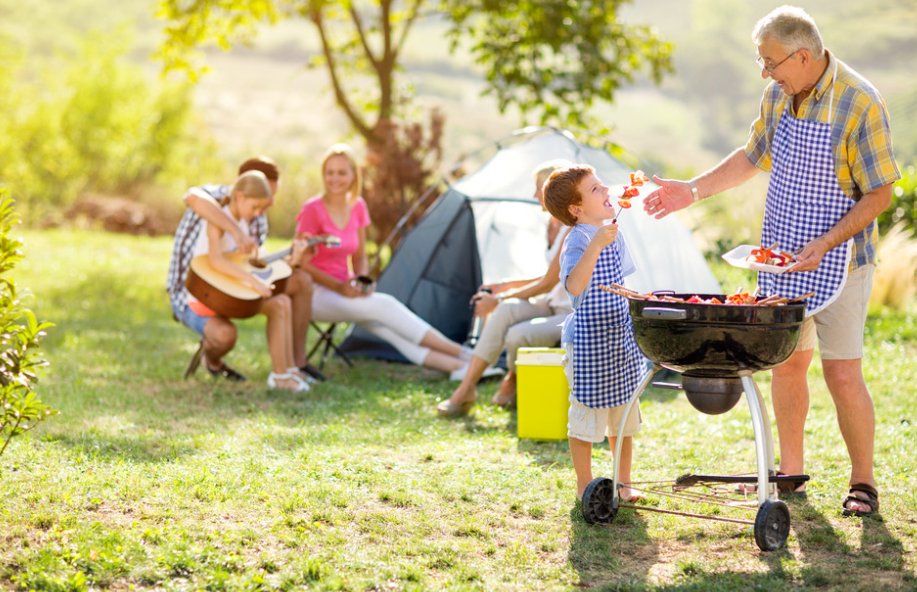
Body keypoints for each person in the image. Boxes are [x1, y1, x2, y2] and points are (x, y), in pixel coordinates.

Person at [643, 6, 899, 516]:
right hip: (780, 255)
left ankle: (863, 484)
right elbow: (751, 155)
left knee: (842, 374)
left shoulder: (860, 102)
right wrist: (690, 192)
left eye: (771, 62)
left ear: (803, 56)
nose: (766, 72)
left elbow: (881, 194)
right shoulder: (779, 94)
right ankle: (789, 474)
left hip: (840, 259)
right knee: (786, 364)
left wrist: (825, 243)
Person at [294, 143, 468, 374]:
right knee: (384, 306)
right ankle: (466, 355)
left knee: (384, 327)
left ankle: (459, 367)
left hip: (346, 292)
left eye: (341, 172)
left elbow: (359, 256)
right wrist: (339, 287)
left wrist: (360, 280)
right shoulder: (312, 210)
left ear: (354, 175)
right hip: (314, 294)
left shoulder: (357, 206)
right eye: (330, 173)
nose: (335, 179)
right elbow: (300, 263)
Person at [167, 156, 325, 385]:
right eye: (257, 205)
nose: (261, 211)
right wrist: (252, 281)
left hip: (234, 289)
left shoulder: (251, 219)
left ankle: (286, 372)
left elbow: (255, 265)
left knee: (281, 301)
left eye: (265, 205)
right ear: (241, 193)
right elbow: (216, 260)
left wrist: (294, 258)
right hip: (202, 293)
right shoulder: (218, 212)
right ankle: (218, 362)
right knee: (226, 334)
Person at [542, 165, 648, 502]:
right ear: (576, 209)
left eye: (604, 187)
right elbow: (574, 286)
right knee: (585, 416)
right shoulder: (577, 240)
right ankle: (585, 484)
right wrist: (595, 248)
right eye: (596, 190)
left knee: (624, 416)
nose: (607, 193)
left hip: (619, 337)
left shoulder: (612, 232)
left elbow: (618, 282)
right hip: (589, 341)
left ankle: (624, 481)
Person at [436, 161, 573, 417]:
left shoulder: (570, 228)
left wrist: (497, 298)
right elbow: (548, 275)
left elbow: (548, 282)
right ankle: (466, 388)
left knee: (516, 334)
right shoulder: (551, 224)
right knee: (508, 310)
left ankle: (512, 378)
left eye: (539, 189)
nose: (534, 196)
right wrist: (504, 288)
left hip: (569, 313)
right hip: (551, 303)